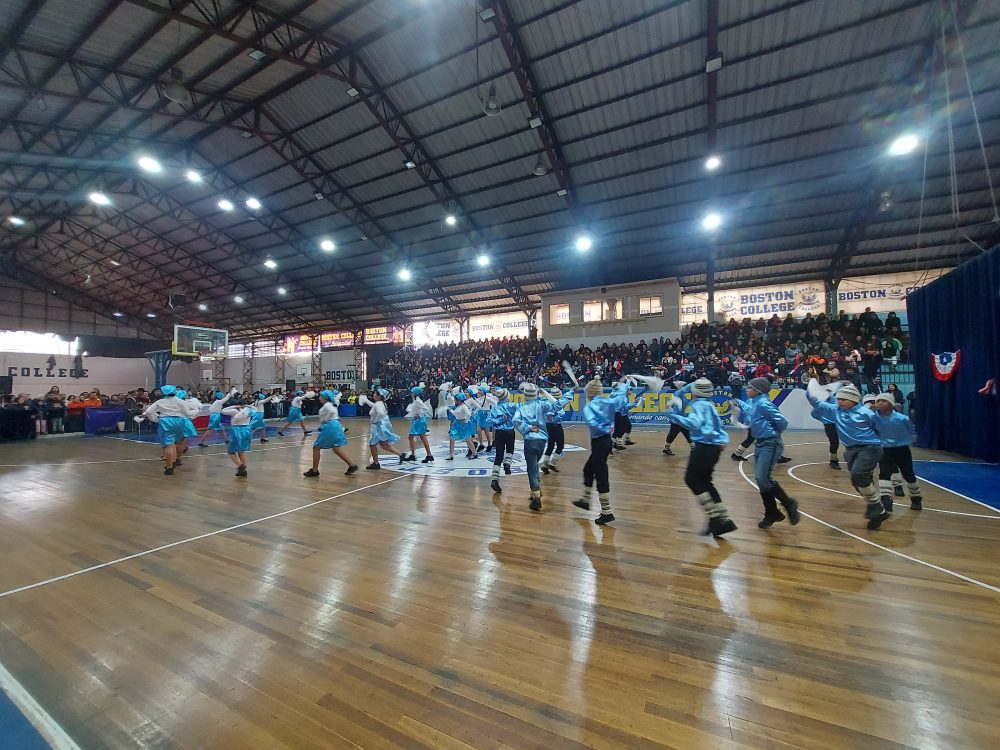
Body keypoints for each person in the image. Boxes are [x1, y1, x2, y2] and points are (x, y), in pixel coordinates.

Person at [806, 379, 886, 529]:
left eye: (843, 399)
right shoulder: (835, 411)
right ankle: (877, 509)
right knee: (859, 482)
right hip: (850, 450)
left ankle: (875, 505)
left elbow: (881, 428)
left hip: (870, 448)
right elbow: (816, 403)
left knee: (858, 474)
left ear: (854, 400)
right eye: (838, 399)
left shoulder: (866, 413)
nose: (840, 401)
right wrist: (811, 388)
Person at [668, 378, 737, 537]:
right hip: (714, 447)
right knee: (706, 481)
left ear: (696, 391)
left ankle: (715, 517)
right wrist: (722, 442)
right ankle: (723, 519)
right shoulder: (710, 405)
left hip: (703, 447)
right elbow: (720, 427)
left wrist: (673, 416)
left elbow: (694, 423)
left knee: (691, 479)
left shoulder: (697, 405)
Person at [734, 377, 799, 528]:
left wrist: (773, 433)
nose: (746, 389)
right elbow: (750, 410)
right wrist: (738, 402)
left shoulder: (764, 403)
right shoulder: (756, 402)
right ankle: (772, 512)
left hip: (770, 443)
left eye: (749, 387)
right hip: (760, 443)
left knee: (763, 477)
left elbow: (782, 421)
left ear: (757, 391)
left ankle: (789, 504)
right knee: (761, 480)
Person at [572, 378, 616, 524]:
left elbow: (592, 424)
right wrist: (609, 428)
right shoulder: (609, 402)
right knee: (588, 469)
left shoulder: (589, 407)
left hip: (599, 442)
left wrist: (603, 429)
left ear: (589, 393)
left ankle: (607, 511)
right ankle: (585, 499)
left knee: (601, 474)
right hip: (607, 441)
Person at [873, 392, 922, 512]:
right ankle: (886, 500)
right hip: (884, 450)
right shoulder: (873, 418)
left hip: (902, 449)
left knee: (908, 474)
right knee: (884, 473)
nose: (880, 403)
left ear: (891, 403)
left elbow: (911, 430)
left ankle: (916, 498)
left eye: (883, 401)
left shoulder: (902, 419)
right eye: (878, 401)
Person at [514, 382, 558, 511]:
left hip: (530, 440)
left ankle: (536, 497)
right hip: (542, 440)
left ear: (525, 395)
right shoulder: (542, 404)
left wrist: (528, 428)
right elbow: (557, 406)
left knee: (532, 469)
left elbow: (516, 421)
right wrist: (547, 394)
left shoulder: (521, 407)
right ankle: (536, 489)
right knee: (535, 465)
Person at [141, 385, 193, 476]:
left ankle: (169, 467)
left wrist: (155, 419)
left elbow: (149, 412)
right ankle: (178, 459)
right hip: (179, 422)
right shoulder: (180, 401)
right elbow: (188, 414)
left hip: (165, 422)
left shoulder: (160, 402)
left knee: (169, 445)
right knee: (179, 442)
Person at [303, 390, 357, 477]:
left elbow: (328, 415)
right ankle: (352, 465)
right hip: (336, 425)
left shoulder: (327, 405)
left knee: (316, 447)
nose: (319, 397)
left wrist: (325, 422)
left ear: (324, 398)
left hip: (330, 426)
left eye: (321, 396)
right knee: (336, 448)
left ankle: (315, 470)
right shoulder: (332, 404)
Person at [358, 388, 402, 469]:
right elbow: (374, 406)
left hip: (378, 427)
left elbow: (380, 413)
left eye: (375, 394)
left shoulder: (378, 404)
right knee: (384, 445)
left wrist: (375, 420)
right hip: (381, 426)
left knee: (372, 444)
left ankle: (376, 463)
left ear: (379, 396)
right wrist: (366, 401)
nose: (373, 395)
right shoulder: (380, 403)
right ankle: (401, 455)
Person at [488, 387, 517, 493]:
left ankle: (494, 480)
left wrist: (499, 420)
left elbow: (489, 420)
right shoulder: (512, 405)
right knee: (510, 450)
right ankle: (507, 463)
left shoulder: (495, 408)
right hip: (510, 432)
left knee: (498, 455)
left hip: (499, 433)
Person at [540, 387, 573, 475]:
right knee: (560, 445)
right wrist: (554, 418)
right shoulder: (558, 404)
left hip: (548, 426)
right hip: (556, 425)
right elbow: (561, 414)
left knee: (550, 445)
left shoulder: (546, 402)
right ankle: (552, 462)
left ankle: (545, 464)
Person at [401, 386, 434, 463]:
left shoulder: (418, 401)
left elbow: (426, 408)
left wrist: (419, 415)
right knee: (421, 437)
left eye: (412, 392)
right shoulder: (415, 400)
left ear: (415, 393)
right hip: (418, 421)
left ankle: (415, 455)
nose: (411, 394)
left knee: (413, 437)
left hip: (419, 421)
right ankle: (428, 455)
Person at [221, 399, 254, 477]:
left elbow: (223, 410)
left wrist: (233, 406)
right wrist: (248, 406)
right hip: (246, 430)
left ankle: (240, 466)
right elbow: (255, 409)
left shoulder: (234, 411)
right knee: (241, 451)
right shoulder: (250, 411)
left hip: (236, 430)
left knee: (231, 451)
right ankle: (243, 470)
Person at [446, 389, 477, 460]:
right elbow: (457, 415)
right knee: (452, 439)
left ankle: (474, 453)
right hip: (456, 424)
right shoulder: (459, 406)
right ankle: (451, 455)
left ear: (459, 400)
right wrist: (450, 410)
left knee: (468, 440)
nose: (455, 400)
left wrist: (466, 421)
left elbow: (468, 414)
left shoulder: (464, 406)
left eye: (456, 399)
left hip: (463, 425)